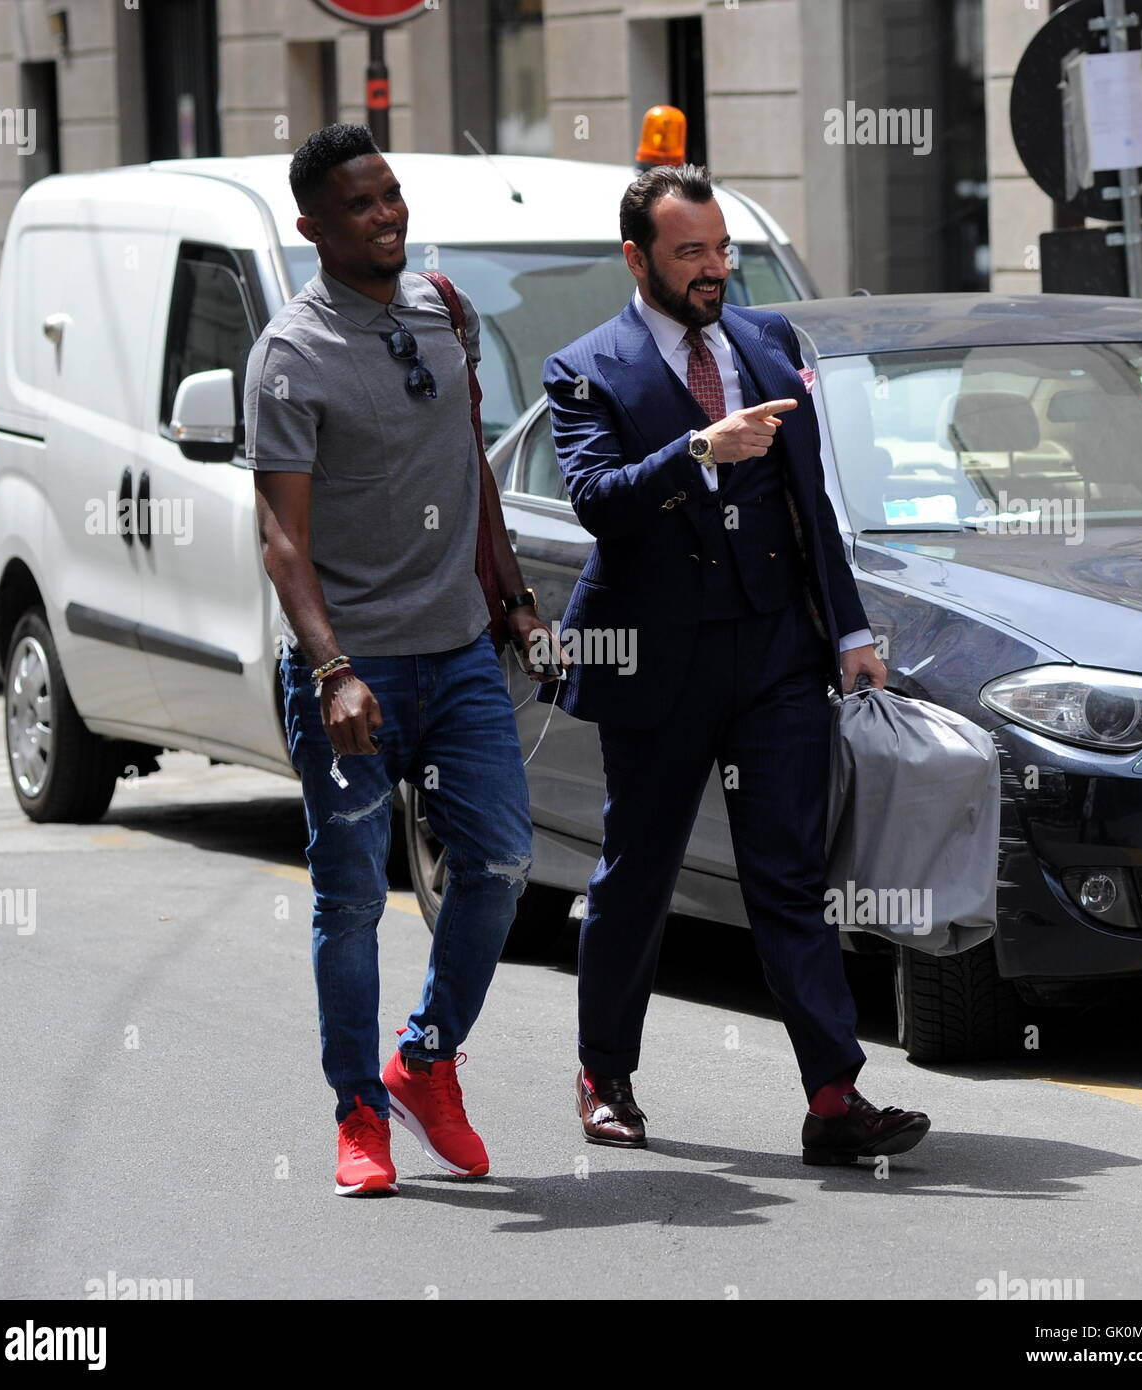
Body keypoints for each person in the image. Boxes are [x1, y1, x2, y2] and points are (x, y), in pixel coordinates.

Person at [539, 164, 930, 1166]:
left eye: (721, 251)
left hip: (773, 658)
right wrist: (697, 452)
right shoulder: (585, 367)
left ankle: (832, 1096)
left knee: (788, 876)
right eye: (689, 254)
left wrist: (848, 633)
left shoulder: (767, 342)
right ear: (637, 260)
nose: (713, 270)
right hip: (655, 662)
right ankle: (604, 1073)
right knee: (639, 871)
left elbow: (809, 499)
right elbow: (594, 499)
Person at [247, 124, 555, 1196]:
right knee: (352, 901)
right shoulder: (290, 354)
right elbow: (282, 536)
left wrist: (514, 603)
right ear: (313, 228)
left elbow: (471, 472)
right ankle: (357, 1116)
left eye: (391, 195)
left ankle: (424, 1061)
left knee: (504, 864)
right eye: (362, 204)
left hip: (460, 648)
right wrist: (331, 668)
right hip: (353, 669)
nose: (388, 215)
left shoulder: (443, 314)